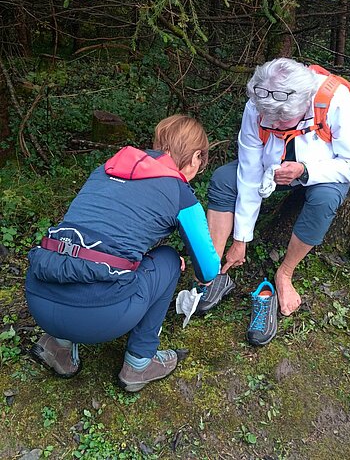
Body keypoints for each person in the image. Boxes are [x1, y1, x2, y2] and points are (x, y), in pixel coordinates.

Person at [25, 115, 220, 391]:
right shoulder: (180, 193)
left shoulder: (105, 169)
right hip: (101, 315)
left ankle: (58, 345)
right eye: (202, 160)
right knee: (168, 260)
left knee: (83, 249)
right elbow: (208, 270)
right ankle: (140, 362)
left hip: (39, 297)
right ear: (195, 157)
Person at [197, 58, 350, 343]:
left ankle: (285, 273)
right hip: (271, 170)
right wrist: (241, 239)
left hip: (323, 171)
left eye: (281, 121)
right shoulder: (258, 104)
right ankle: (214, 270)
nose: (273, 124)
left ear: (304, 105)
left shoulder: (336, 102)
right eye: (268, 120)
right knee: (225, 179)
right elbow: (249, 172)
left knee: (325, 198)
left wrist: (306, 171)